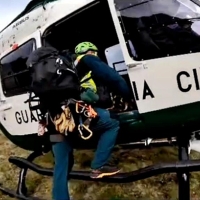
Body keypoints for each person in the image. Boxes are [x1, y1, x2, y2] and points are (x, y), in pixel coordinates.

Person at [38, 42, 132, 200]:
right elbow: (113, 78)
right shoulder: (88, 59)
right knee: (113, 123)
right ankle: (99, 166)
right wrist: (128, 94)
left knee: (61, 165)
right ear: (92, 51)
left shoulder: (59, 72)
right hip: (76, 119)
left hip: (56, 125)